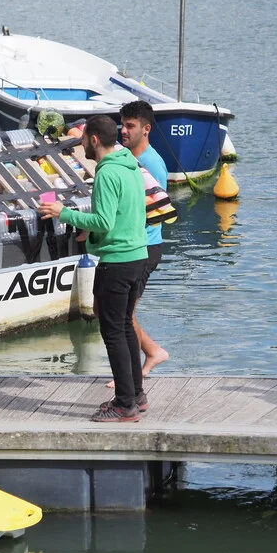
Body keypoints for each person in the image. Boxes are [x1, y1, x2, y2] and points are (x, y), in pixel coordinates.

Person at [38, 115, 148, 422]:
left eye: (84, 139)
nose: (82, 144)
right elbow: (122, 214)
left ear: (94, 140)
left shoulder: (107, 173)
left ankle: (125, 405)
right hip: (137, 255)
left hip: (117, 261)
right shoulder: (130, 165)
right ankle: (136, 395)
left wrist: (64, 213)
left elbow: (104, 221)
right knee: (124, 327)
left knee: (113, 332)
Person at [100, 100, 170, 390]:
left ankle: (135, 373)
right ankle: (150, 354)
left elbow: (155, 211)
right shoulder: (126, 158)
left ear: (146, 129)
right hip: (132, 245)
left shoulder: (152, 164)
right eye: (122, 125)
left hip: (145, 246)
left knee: (122, 316)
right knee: (117, 312)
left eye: (130, 126)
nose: (124, 131)